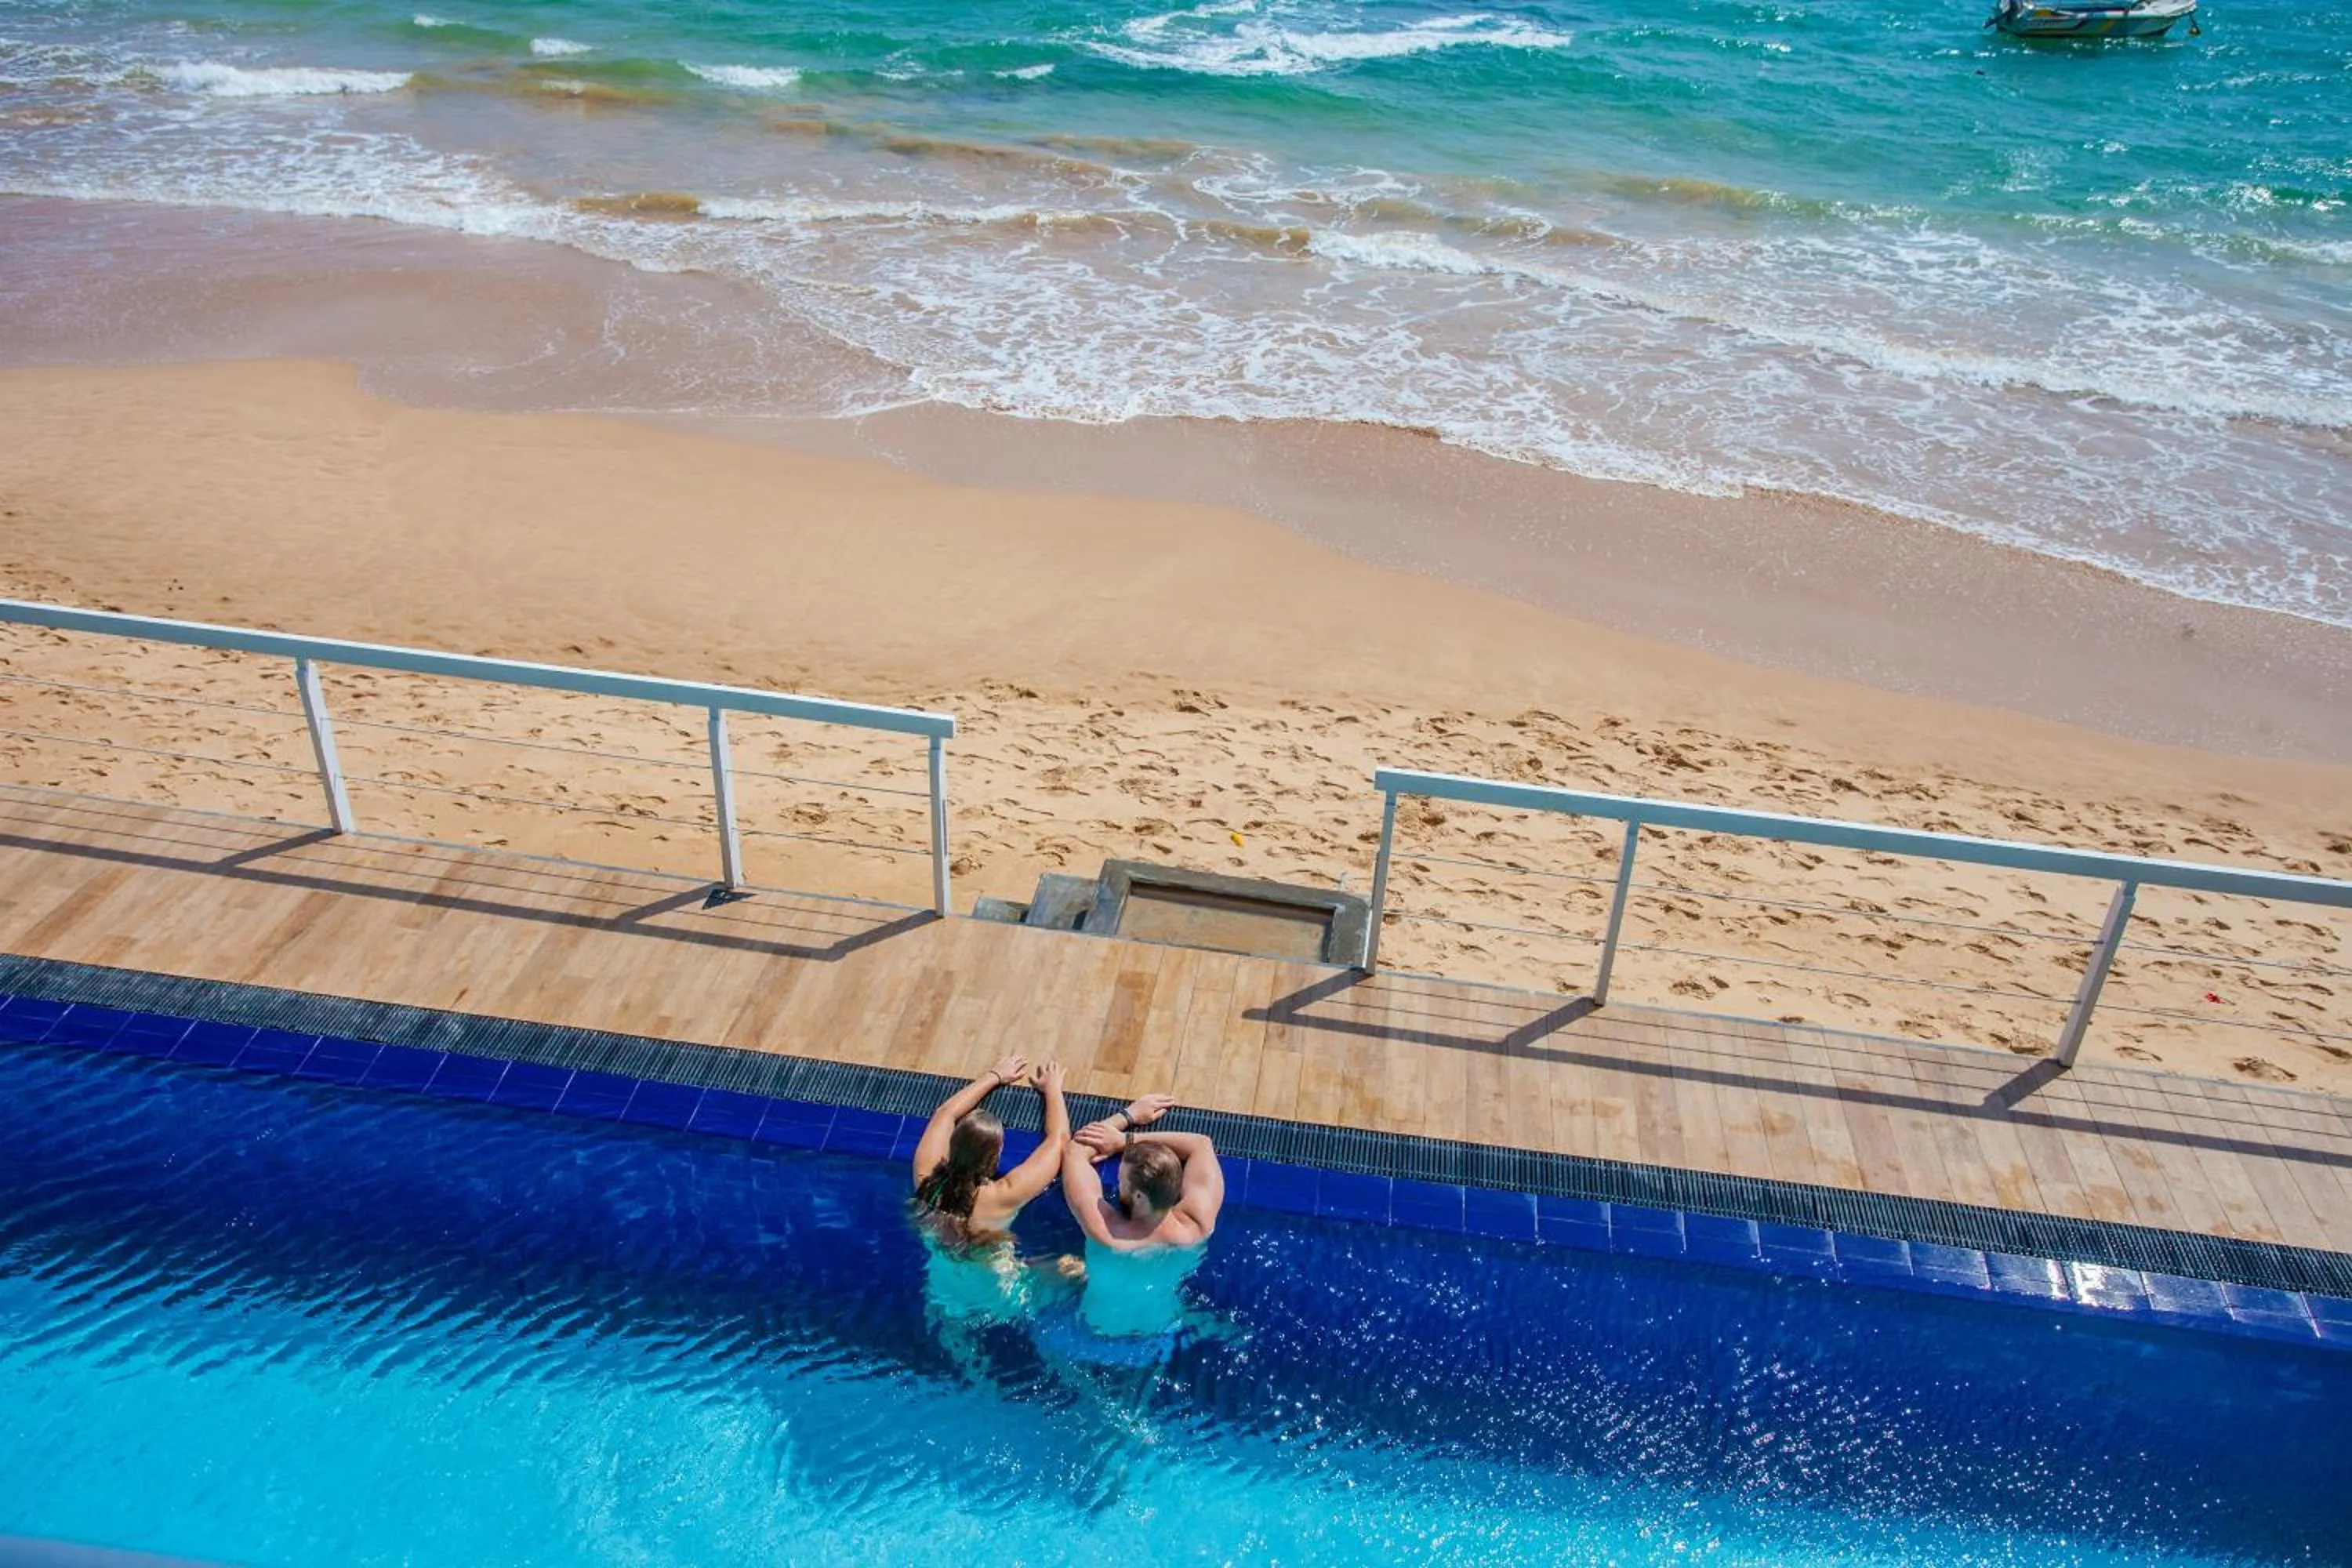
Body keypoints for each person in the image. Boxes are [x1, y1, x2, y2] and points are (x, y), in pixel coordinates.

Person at [1058, 1093, 1225, 1339]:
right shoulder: (1198, 1225)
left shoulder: (1106, 1231)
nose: (1117, 1180)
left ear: (1139, 1198)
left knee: (1061, 1266)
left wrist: (1128, 1116)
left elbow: (1076, 1150)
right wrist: (1127, 1141)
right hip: (1159, 1328)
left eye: (1122, 1179)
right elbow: (1201, 1144)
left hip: (1098, 1328)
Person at [911, 1053, 1070, 1241]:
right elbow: (1059, 1140)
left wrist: (994, 1075)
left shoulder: (927, 1180)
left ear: (952, 1144)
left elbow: (945, 1114)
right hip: (989, 1265)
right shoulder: (1004, 1195)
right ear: (995, 1156)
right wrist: (1052, 1089)